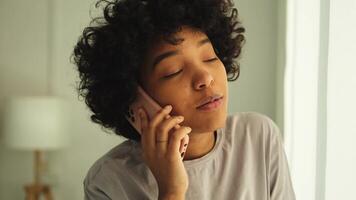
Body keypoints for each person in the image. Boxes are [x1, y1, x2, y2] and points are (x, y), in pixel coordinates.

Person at [72, 0, 296, 199]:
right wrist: (171, 191)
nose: (205, 78)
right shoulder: (109, 181)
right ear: (134, 99)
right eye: (173, 71)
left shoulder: (258, 136)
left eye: (209, 57)